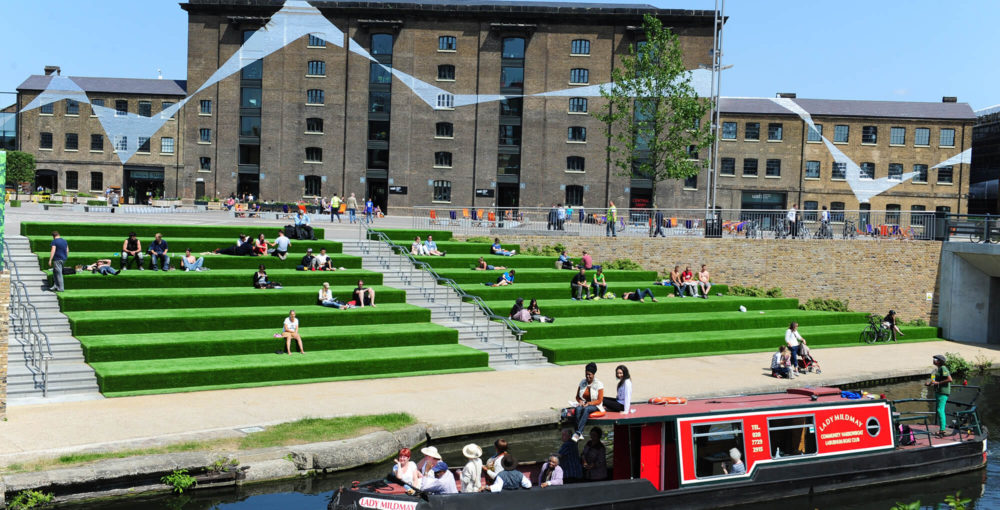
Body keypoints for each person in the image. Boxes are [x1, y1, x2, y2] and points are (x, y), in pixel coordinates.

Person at [572, 362, 604, 442]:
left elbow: (599, 400)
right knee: (578, 409)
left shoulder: (599, 384)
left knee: (586, 409)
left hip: (595, 405)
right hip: (584, 403)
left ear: (593, 374)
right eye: (586, 374)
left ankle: (578, 432)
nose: (587, 376)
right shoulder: (582, 382)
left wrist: (588, 403)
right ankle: (579, 433)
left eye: (589, 374)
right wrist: (580, 401)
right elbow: (577, 396)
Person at [927, 354, 953, 437]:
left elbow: (949, 379)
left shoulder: (943, 368)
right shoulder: (938, 369)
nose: (934, 360)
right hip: (938, 391)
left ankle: (942, 430)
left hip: (943, 392)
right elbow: (935, 380)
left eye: (935, 359)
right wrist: (929, 383)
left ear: (939, 361)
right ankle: (942, 429)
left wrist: (938, 383)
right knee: (939, 410)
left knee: (940, 410)